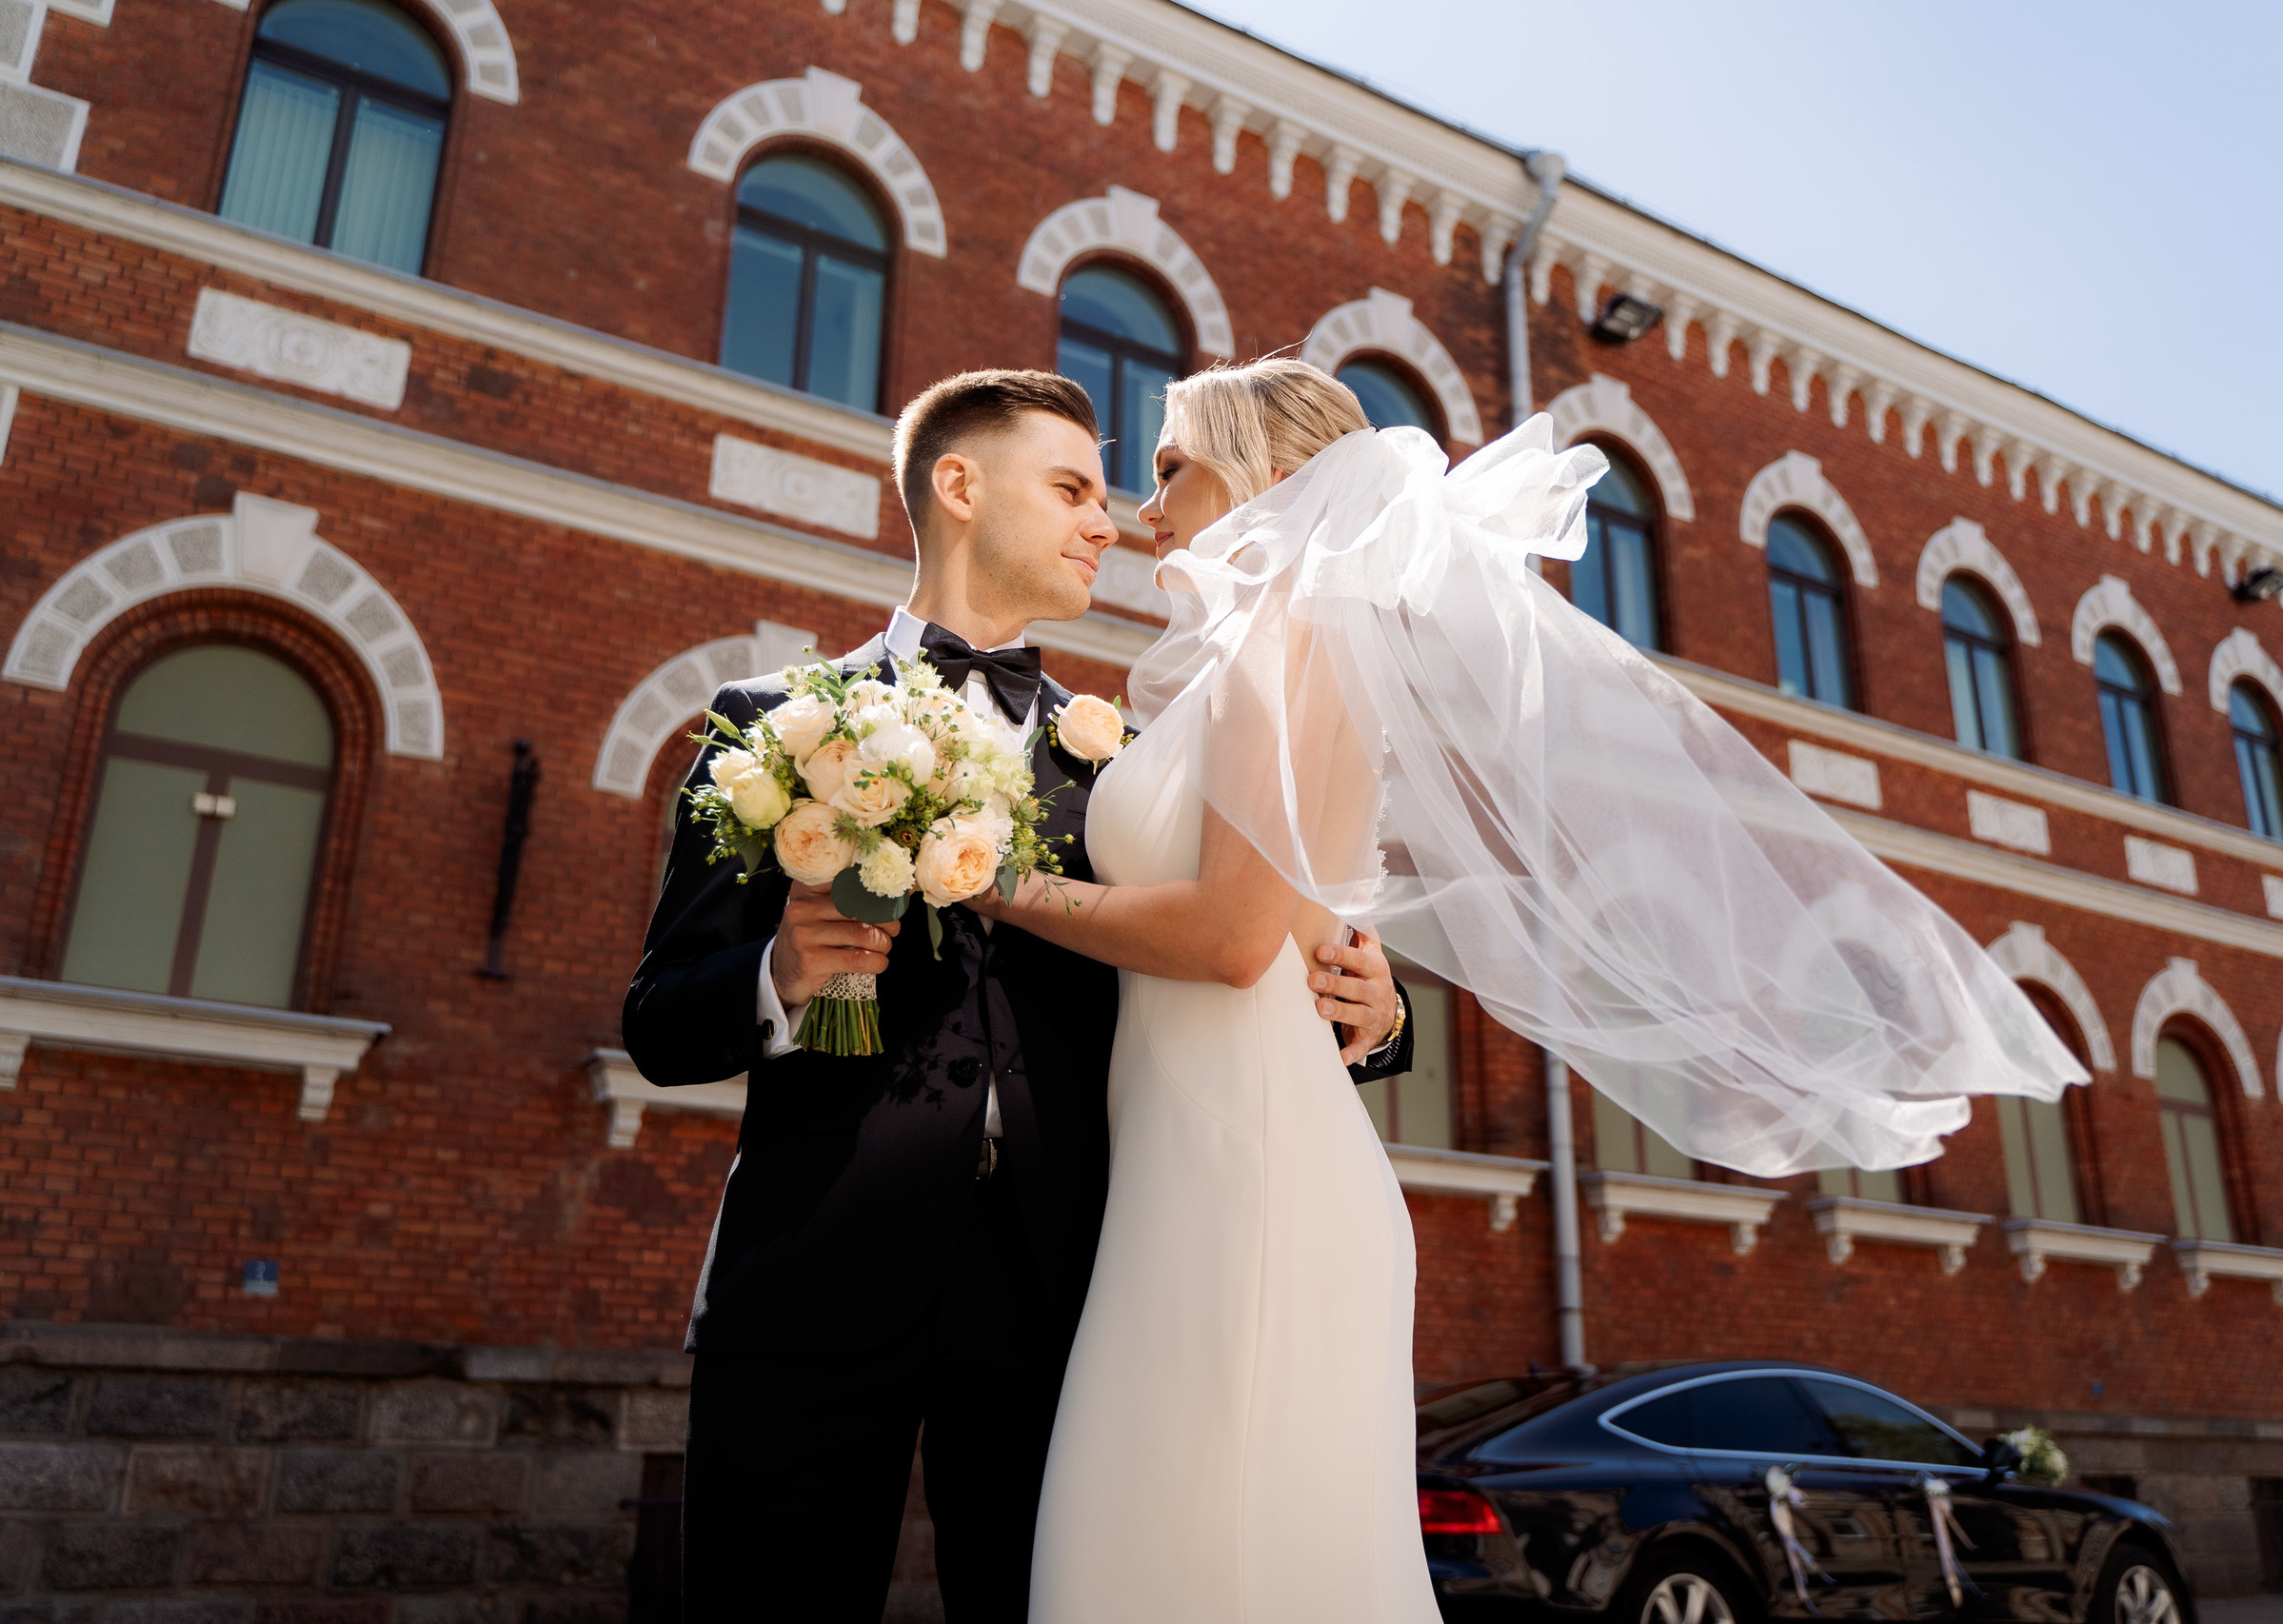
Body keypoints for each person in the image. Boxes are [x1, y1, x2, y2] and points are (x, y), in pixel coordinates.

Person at [973, 359, 2088, 1620]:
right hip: (1202, 1157)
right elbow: (1293, 924)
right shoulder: (1269, 661)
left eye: (1174, 464)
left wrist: (991, 883)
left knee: (1188, 1548)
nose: (1145, 503)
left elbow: (1233, 940)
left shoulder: (1281, 652)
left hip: (1247, 1173)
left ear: (1272, 478)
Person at [619, 368, 1412, 1624]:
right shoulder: (766, 724)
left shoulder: (1116, 766)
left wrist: (1375, 1009)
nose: (1112, 521)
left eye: (1120, 486)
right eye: (1073, 487)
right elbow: (658, 1016)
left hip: (1070, 1301)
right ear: (959, 484)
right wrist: (778, 975)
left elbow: (1228, 932)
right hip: (811, 1279)